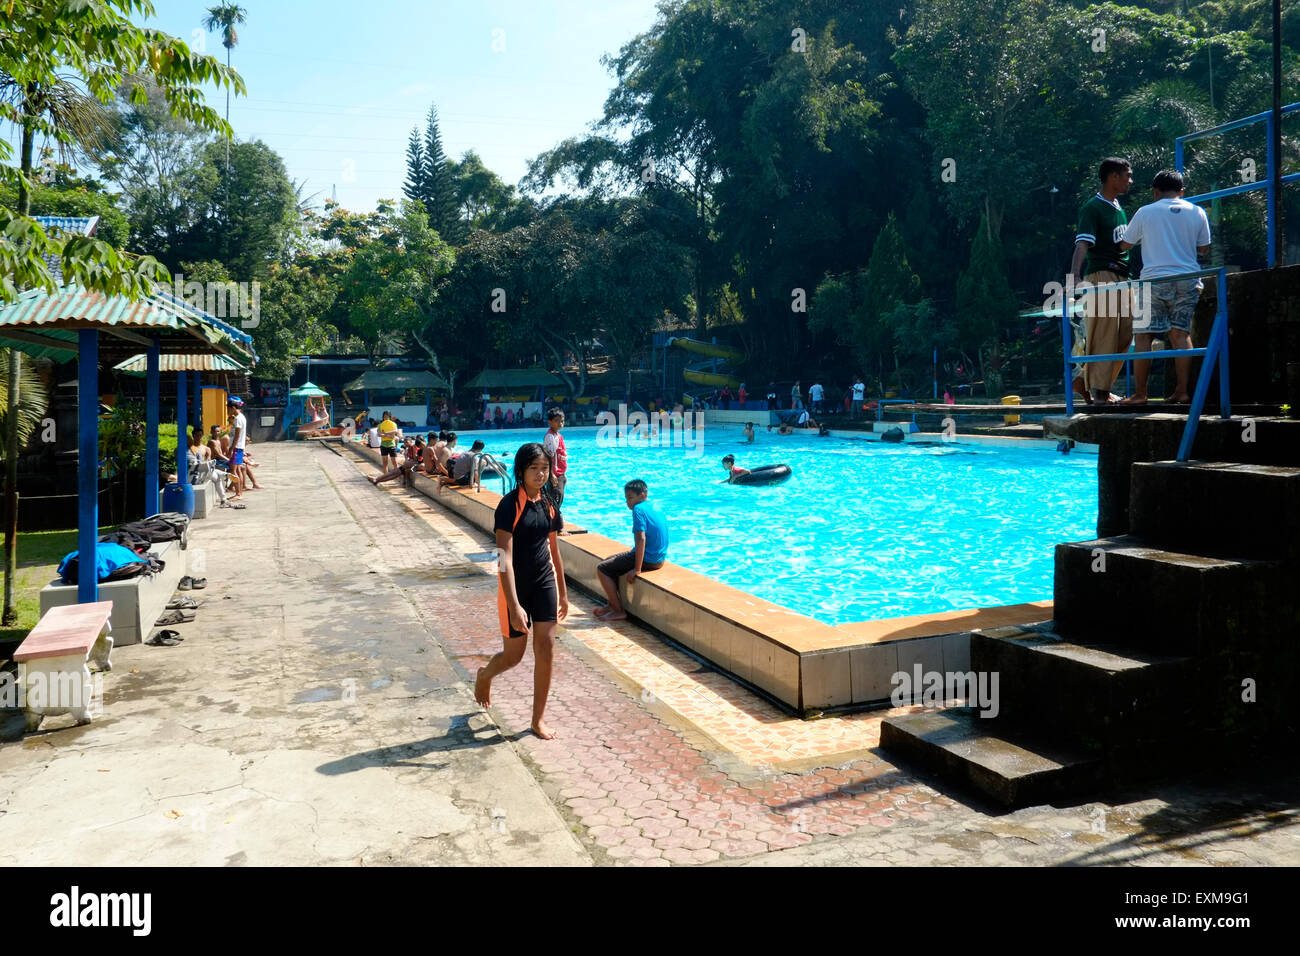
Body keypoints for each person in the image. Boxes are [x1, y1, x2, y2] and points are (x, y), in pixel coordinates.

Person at [476, 442, 568, 740]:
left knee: (547, 647)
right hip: (515, 587)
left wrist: (564, 593)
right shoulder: (509, 505)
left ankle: (537, 719)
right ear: (521, 471)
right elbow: (504, 558)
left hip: (544, 584)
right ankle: (485, 675)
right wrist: (514, 605)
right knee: (513, 657)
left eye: (544, 469)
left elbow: (555, 550)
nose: (540, 474)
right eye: (534, 469)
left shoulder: (550, 504)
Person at [1117, 169, 1212, 406]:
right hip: (1188, 279)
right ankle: (1182, 391)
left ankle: (1140, 394)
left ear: (1155, 192)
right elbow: (1204, 248)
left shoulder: (1146, 212)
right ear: (1182, 191)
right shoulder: (1197, 211)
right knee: (1181, 334)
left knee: (1143, 336)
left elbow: (1125, 245)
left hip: (1154, 280)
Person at [1070, 157, 1136, 404]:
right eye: (1127, 175)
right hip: (1102, 274)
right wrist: (1075, 275)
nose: (1130, 181)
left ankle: (1085, 380)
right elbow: (1082, 243)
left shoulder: (1119, 208)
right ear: (1113, 177)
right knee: (1105, 333)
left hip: (1123, 276)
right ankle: (1100, 392)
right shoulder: (1092, 207)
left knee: (1125, 334)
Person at [593, 479, 669, 621]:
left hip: (648, 559)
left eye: (630, 498)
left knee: (602, 568)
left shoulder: (638, 509)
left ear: (641, 495)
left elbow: (641, 538)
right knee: (608, 561)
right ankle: (611, 604)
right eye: (626, 498)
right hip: (658, 558)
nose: (628, 502)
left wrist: (637, 569)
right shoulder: (654, 506)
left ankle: (618, 610)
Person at [542, 407, 568, 507]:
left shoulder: (558, 436)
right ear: (550, 422)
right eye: (557, 421)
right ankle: (553, 515)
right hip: (555, 474)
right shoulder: (550, 437)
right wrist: (551, 474)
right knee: (557, 495)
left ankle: (552, 514)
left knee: (556, 496)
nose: (560, 423)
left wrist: (563, 474)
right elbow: (549, 457)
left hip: (559, 473)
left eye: (562, 421)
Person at [226, 397, 252, 496]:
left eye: (228, 409)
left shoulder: (237, 419)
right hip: (239, 447)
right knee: (237, 470)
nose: (227, 411)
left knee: (233, 471)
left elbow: (237, 435)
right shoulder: (241, 417)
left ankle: (238, 494)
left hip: (236, 448)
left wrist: (231, 449)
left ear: (232, 408)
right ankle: (239, 493)